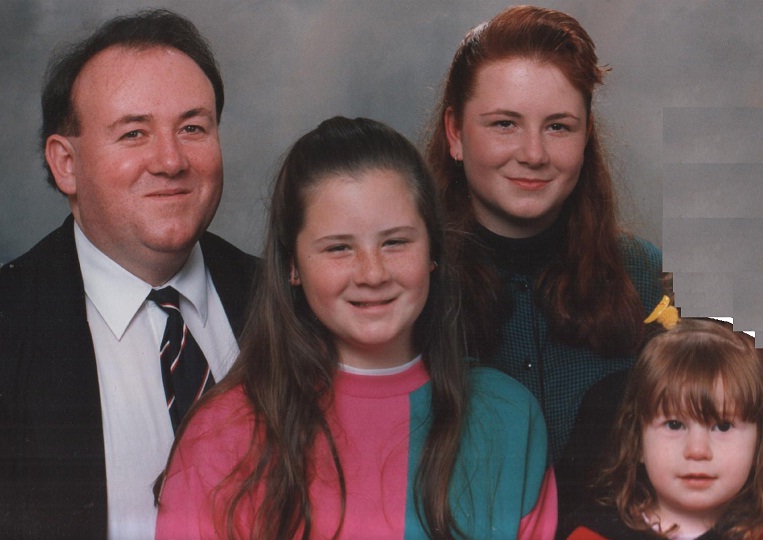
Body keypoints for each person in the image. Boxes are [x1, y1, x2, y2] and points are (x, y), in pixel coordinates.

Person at [155, 116, 557, 539]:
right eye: (339, 248)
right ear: (292, 265)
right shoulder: (223, 432)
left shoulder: (508, 418)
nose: (372, 273)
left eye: (396, 242)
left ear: (433, 253)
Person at [0, 9, 259, 538]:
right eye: (134, 133)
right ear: (65, 163)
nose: (170, 161)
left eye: (192, 127)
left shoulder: (285, 299)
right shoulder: (10, 325)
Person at [425, 5, 663, 466]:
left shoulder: (647, 277)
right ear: (454, 133)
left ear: (586, 132)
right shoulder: (407, 282)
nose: (533, 154)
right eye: (504, 124)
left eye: (558, 126)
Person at [560, 319, 763, 539]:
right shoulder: (593, 534)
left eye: (723, 426)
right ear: (637, 441)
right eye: (674, 424)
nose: (697, 450)